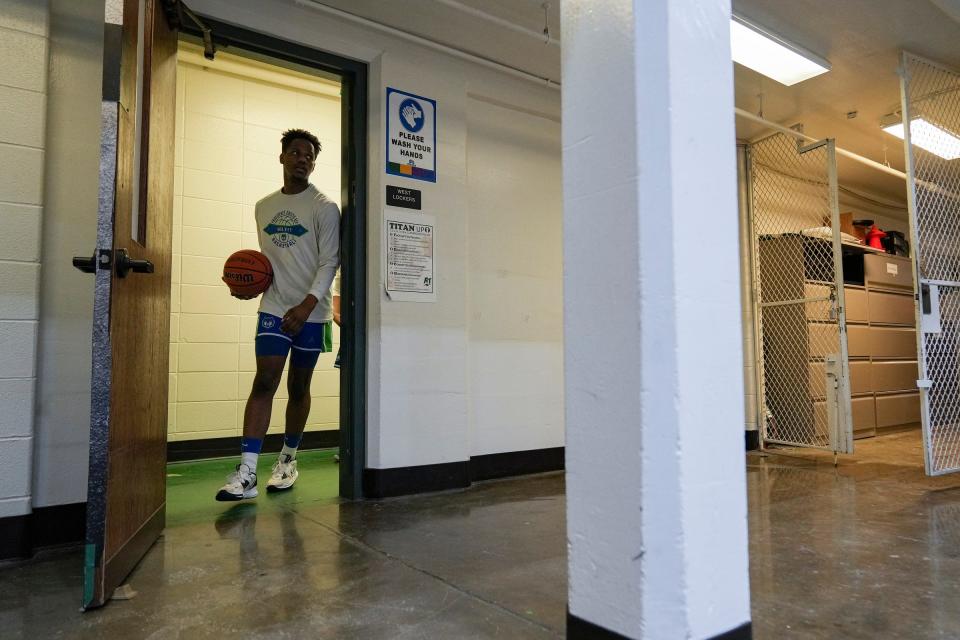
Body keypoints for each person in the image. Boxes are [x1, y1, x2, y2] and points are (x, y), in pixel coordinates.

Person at [216, 128, 340, 501]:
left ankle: (287, 459)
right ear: (282, 157)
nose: (303, 159)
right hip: (273, 307)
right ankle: (248, 471)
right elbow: (266, 262)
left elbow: (329, 261)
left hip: (311, 313)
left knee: (298, 387)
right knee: (264, 381)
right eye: (296, 153)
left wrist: (306, 305)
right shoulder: (263, 206)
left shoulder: (324, 207)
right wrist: (247, 286)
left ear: (313, 164)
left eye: (309, 156)